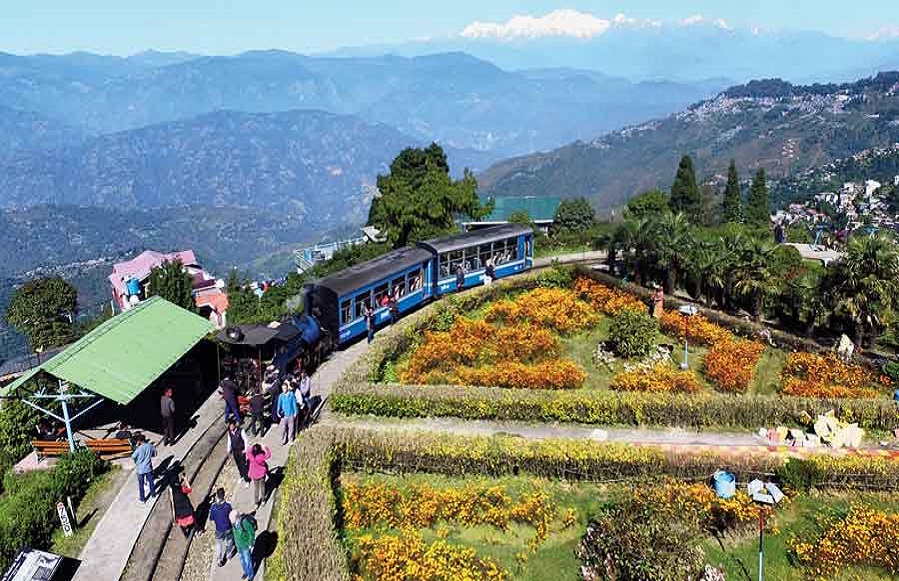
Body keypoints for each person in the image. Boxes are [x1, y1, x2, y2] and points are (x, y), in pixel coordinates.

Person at [209, 488, 236, 567]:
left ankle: (219, 560)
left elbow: (211, 518)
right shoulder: (228, 506)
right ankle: (228, 555)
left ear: (217, 496)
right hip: (228, 527)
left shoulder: (213, 507)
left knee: (219, 544)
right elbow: (231, 516)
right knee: (229, 541)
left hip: (219, 529)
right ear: (224, 495)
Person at [131, 434, 157, 503]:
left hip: (140, 469)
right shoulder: (150, 446)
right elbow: (155, 454)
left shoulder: (139, 449)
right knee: (151, 481)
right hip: (148, 467)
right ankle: (153, 495)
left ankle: (142, 499)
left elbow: (133, 457)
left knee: (141, 484)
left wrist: (136, 447)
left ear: (139, 441)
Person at [230, 510, 256, 580]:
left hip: (245, 546)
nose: (231, 521)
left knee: (247, 561)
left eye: (232, 519)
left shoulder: (244, 522)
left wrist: (250, 543)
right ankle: (246, 572)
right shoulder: (233, 523)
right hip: (239, 546)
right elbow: (235, 533)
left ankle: (250, 575)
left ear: (236, 517)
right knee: (242, 560)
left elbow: (251, 533)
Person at [245, 443, 272, 508]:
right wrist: (265, 447)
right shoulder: (261, 456)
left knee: (256, 489)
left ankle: (256, 503)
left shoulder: (251, 456)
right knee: (263, 487)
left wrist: (252, 447)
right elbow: (268, 455)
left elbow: (248, 451)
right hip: (261, 474)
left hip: (254, 475)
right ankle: (263, 500)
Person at [170, 473, 195, 537]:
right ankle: (197, 529)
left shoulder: (172, 492)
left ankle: (186, 534)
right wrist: (185, 480)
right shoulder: (181, 488)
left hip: (180, 517)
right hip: (188, 513)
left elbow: (172, 505)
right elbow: (190, 489)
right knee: (193, 513)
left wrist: (174, 518)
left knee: (181, 522)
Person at [227, 419, 251, 487]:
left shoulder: (241, 431)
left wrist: (245, 450)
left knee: (243, 465)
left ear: (234, 425)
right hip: (235, 451)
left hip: (241, 451)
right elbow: (229, 441)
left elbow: (246, 440)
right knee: (238, 464)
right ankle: (241, 476)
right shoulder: (229, 432)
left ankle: (247, 480)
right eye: (229, 426)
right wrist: (228, 450)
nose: (231, 427)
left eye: (231, 426)